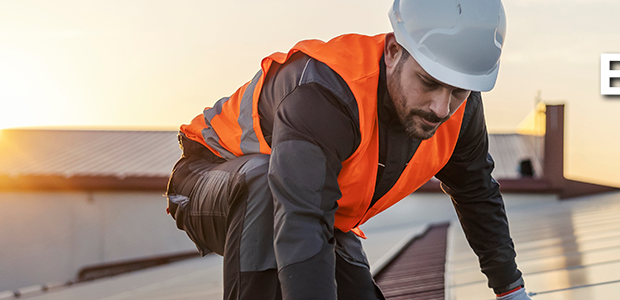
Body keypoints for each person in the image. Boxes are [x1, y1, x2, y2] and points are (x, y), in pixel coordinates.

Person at [164, 0, 528, 299]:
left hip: (309, 204)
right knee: (266, 186)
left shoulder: (459, 111)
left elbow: (477, 193)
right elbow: (302, 221)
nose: (440, 107)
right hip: (206, 180)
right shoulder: (327, 92)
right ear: (393, 51)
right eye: (428, 82)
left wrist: (511, 291)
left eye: (458, 91)